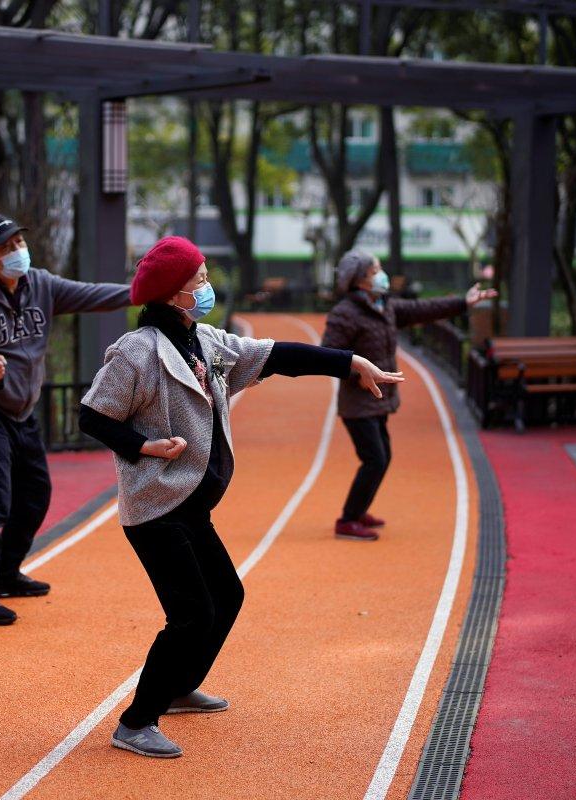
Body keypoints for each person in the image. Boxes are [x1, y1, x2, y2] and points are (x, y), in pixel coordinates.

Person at [78, 235, 402, 759]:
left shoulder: (204, 341)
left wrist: (349, 363)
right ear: (171, 294)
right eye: (199, 280)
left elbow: (275, 355)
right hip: (154, 507)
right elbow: (92, 416)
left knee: (227, 596)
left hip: (190, 504)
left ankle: (179, 687)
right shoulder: (137, 353)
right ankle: (136, 722)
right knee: (191, 614)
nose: (207, 287)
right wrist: (143, 445)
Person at [0, 212, 131, 626]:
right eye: (5, 247)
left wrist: (148, 290)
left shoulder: (42, 285)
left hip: (22, 410)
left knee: (35, 495)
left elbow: (93, 295)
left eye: (18, 242)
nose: (17, 251)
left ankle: (4, 572)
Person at [321, 250, 497, 541]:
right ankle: (348, 520)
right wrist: (359, 373)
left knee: (382, 456)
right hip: (358, 403)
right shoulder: (345, 314)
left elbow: (422, 308)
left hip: (379, 400)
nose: (381, 273)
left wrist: (462, 303)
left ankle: (359, 510)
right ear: (360, 280)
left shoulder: (384, 306)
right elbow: (327, 355)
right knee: (375, 459)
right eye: (375, 269)